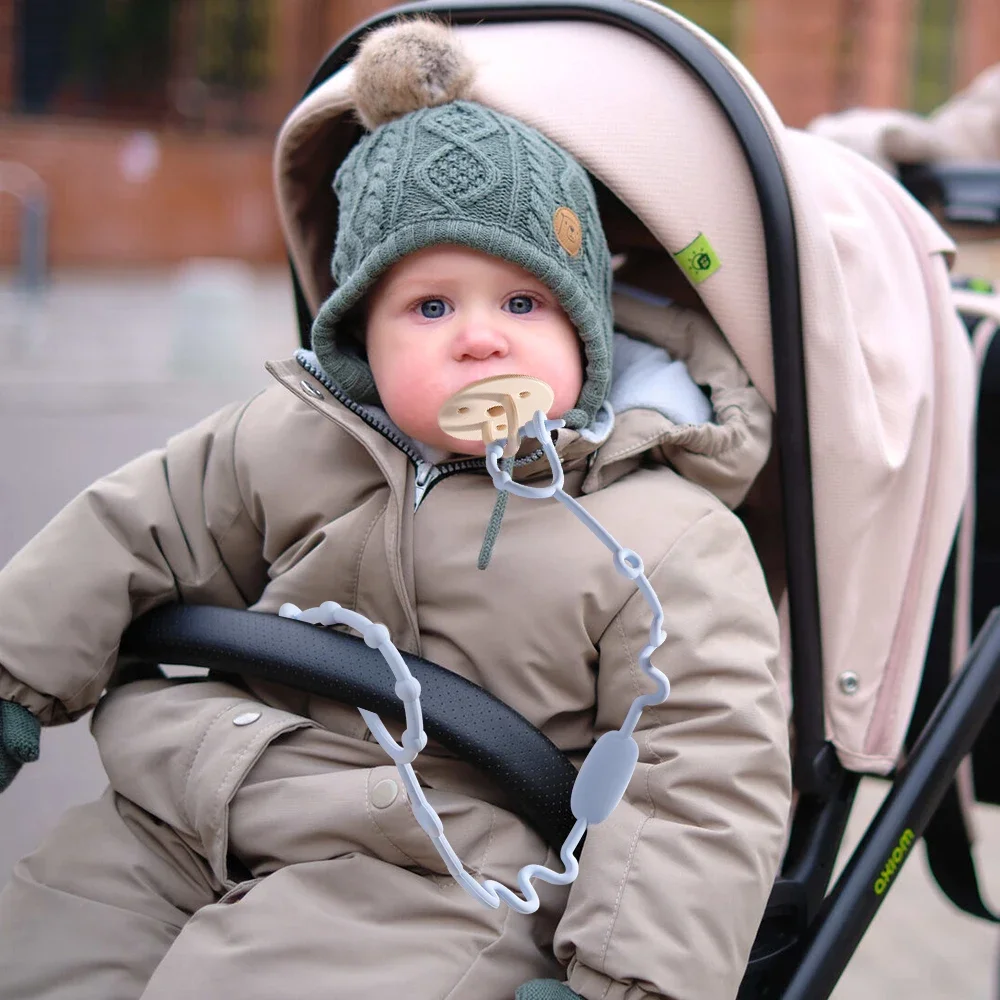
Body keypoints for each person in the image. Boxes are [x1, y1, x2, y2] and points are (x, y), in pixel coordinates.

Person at [0, 18, 791, 1000]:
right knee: (44, 955)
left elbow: (701, 776)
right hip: (190, 800)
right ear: (358, 337)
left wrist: (629, 980)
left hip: (432, 869)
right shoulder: (282, 441)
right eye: (428, 308)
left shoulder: (663, 535)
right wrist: (16, 666)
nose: (477, 341)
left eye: (522, 304)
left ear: (584, 327)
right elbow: (130, 527)